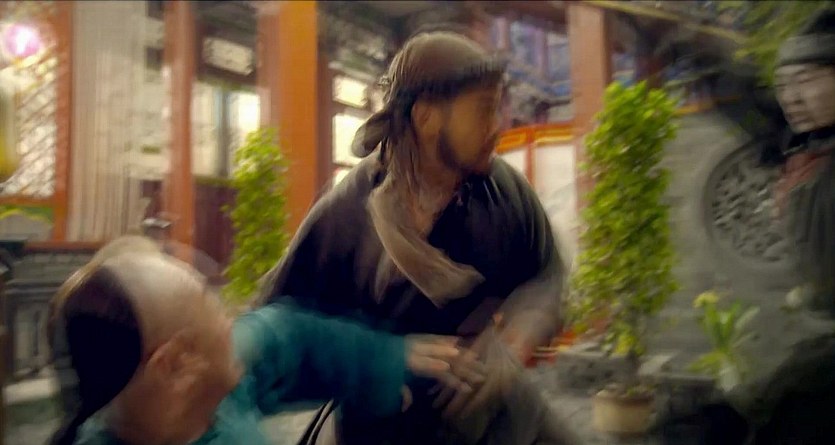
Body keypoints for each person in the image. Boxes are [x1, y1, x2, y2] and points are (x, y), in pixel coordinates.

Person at [259, 30, 573, 445]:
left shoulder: (503, 192)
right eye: (484, 110)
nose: (497, 127)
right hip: (379, 425)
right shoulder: (347, 216)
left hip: (489, 407)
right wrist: (379, 358)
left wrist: (514, 340)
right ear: (426, 118)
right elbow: (275, 338)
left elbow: (546, 273)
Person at [49, 241, 478, 445]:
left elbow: (288, 336)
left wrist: (390, 359)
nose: (229, 319)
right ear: (175, 366)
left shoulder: (209, 394)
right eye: (210, 304)